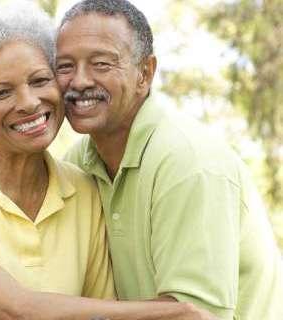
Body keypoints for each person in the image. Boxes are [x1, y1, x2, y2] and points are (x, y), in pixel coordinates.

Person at [0, 2, 214, 320]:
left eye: (40, 80)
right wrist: (173, 313)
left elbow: (99, 312)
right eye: (1, 93)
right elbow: (12, 310)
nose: (29, 102)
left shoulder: (83, 190)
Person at [55, 0, 283, 319]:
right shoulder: (78, 161)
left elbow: (193, 316)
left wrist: (36, 308)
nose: (79, 81)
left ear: (145, 73)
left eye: (101, 64)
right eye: (65, 66)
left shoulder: (189, 162)